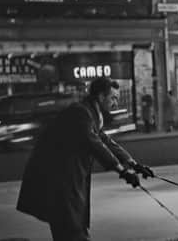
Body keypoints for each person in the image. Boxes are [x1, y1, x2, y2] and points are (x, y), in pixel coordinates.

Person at [17, 77, 154, 241]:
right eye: (113, 98)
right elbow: (94, 144)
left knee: (72, 230)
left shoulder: (90, 113)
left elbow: (106, 141)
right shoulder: (80, 113)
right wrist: (122, 172)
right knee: (72, 231)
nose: (116, 103)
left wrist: (133, 164)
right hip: (58, 183)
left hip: (68, 183)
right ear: (101, 96)